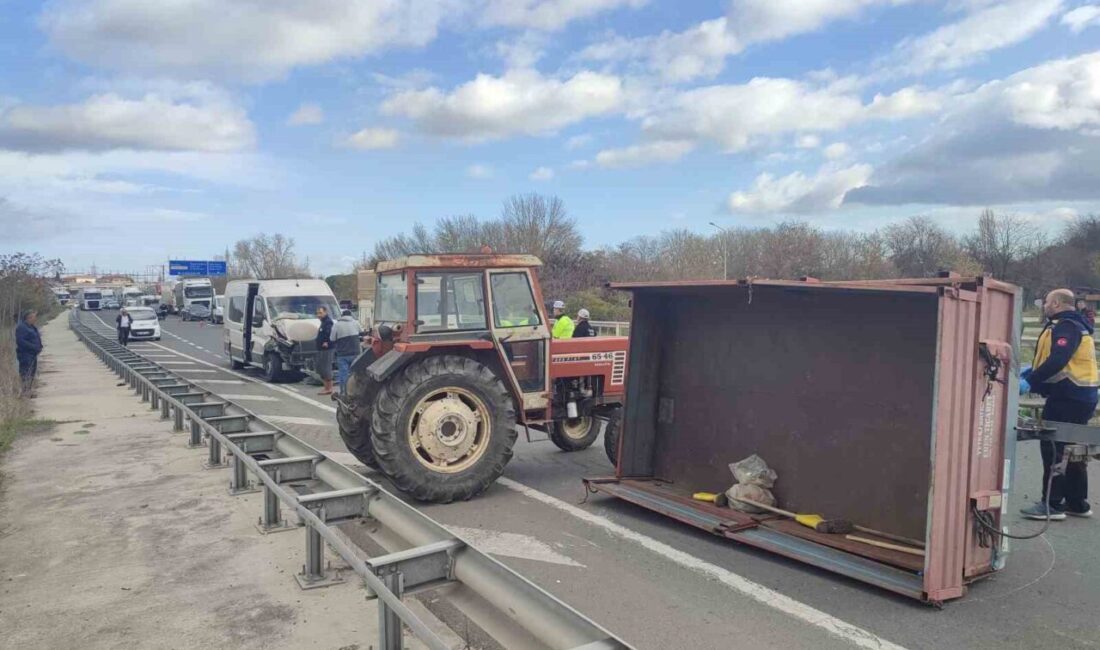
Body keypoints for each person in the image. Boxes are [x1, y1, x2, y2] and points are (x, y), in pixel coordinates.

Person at [1020, 288, 1098, 520]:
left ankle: (1051, 504)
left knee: (1053, 447)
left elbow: (1059, 359)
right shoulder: (1079, 325)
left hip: (1067, 396)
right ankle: (1077, 502)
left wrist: (1030, 380)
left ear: (1055, 303)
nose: (1044, 306)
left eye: (1046, 302)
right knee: (1073, 449)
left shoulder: (1066, 326)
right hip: (1081, 396)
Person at [332, 309, 364, 394]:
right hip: (355, 353)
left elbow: (332, 338)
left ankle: (344, 393)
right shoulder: (355, 322)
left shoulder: (337, 325)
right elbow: (362, 332)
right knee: (356, 374)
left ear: (342, 316)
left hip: (342, 354)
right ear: (351, 315)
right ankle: (356, 392)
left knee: (343, 375)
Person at [15, 310, 43, 397]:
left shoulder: (32, 327)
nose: (35, 319)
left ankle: (29, 391)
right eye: (34, 317)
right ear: (29, 318)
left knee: (31, 372)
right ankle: (25, 392)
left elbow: (36, 337)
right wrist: (33, 347)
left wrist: (39, 346)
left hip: (32, 354)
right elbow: (21, 341)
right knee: (26, 372)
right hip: (25, 354)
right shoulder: (22, 328)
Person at [315, 306, 336, 396]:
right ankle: (326, 387)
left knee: (326, 367)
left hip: (327, 349)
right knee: (320, 367)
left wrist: (326, 341)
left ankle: (329, 388)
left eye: (320, 313)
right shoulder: (323, 322)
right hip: (321, 349)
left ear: (325, 312)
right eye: (317, 313)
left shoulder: (328, 322)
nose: (318, 315)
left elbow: (329, 333)